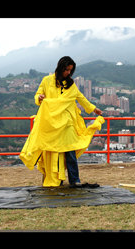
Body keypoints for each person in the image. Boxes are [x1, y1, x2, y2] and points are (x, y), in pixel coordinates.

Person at [31, 56, 103, 187]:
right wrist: (40, 97)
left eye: (71, 70)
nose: (68, 73)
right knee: (53, 151)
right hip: (52, 123)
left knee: (70, 151)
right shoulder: (47, 81)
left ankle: (75, 180)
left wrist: (93, 109)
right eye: (66, 70)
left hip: (68, 122)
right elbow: (38, 94)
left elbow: (80, 97)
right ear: (60, 68)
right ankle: (54, 179)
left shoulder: (71, 84)